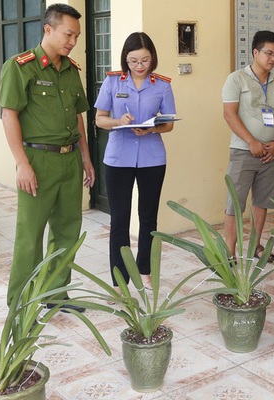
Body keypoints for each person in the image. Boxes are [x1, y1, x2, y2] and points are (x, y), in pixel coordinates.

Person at [0, 4, 95, 310]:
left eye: (77, 36)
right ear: (48, 29)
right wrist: (22, 164)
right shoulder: (20, 66)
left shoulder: (70, 69)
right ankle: (20, 303)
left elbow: (78, 116)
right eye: (68, 34)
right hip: (37, 161)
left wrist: (87, 159)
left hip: (69, 160)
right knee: (30, 234)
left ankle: (55, 294)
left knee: (67, 230)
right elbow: (8, 115)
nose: (72, 41)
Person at [94, 32, 175, 291]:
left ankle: (145, 270)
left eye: (145, 60)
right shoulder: (113, 82)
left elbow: (169, 124)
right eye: (133, 61)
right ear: (125, 59)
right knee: (119, 219)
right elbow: (99, 119)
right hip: (119, 159)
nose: (140, 66)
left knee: (148, 217)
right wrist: (119, 122)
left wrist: (151, 129)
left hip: (152, 158)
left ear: (152, 59)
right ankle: (120, 280)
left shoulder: (161, 85)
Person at [221, 30, 274, 261]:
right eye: (268, 53)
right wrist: (251, 142)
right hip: (244, 151)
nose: (272, 59)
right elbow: (229, 115)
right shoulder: (236, 79)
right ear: (255, 52)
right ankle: (229, 251)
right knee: (235, 203)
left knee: (262, 202)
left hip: (271, 154)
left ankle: (255, 245)